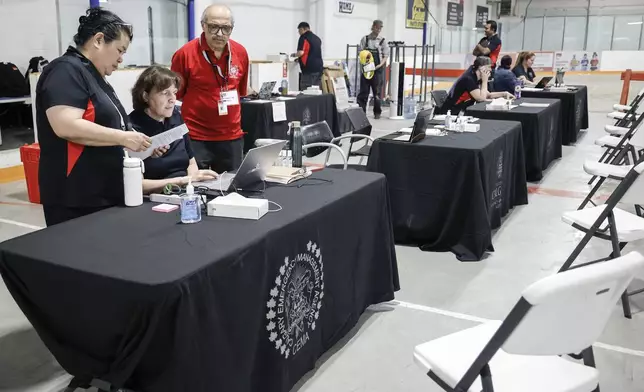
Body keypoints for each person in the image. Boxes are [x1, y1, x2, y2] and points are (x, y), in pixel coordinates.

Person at [36, 7, 151, 226]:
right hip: (77, 196)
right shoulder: (65, 71)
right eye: (119, 50)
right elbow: (66, 126)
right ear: (98, 40)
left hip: (104, 190)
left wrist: (136, 138)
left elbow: (110, 122)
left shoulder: (94, 76)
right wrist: (123, 138)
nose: (121, 59)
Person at [171, 4, 249, 174]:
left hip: (232, 136)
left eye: (226, 28)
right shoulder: (184, 54)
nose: (220, 34)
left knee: (233, 191)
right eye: (214, 27)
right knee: (198, 189)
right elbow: (177, 94)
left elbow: (240, 91)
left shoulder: (241, 53)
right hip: (196, 136)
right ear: (203, 25)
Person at [129, 66, 218, 194]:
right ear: (145, 96)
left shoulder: (176, 116)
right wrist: (184, 180)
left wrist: (192, 186)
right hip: (156, 196)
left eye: (174, 92)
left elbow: (191, 163)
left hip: (184, 190)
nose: (172, 99)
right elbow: (138, 185)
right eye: (165, 93)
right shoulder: (132, 129)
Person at [437, 56, 514, 115]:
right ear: (481, 68)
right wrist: (484, 81)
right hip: (451, 112)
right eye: (489, 67)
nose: (490, 70)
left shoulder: (476, 76)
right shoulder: (469, 78)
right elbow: (481, 99)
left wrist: (504, 94)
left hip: (460, 110)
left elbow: (488, 95)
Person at [357, 20, 389, 119]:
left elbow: (385, 56)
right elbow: (360, 53)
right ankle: (361, 113)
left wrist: (379, 65)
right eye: (377, 27)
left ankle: (377, 113)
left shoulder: (382, 41)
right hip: (366, 70)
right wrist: (365, 64)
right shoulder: (365, 39)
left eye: (380, 28)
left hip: (377, 71)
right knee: (363, 93)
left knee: (377, 94)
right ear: (373, 27)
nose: (379, 30)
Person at [292, 22, 323, 90]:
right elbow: (311, 52)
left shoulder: (303, 37)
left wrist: (293, 55)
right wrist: (299, 59)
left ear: (304, 29)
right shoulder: (317, 38)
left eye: (299, 30)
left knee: (306, 91)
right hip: (319, 68)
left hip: (309, 70)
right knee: (315, 90)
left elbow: (301, 53)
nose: (299, 32)